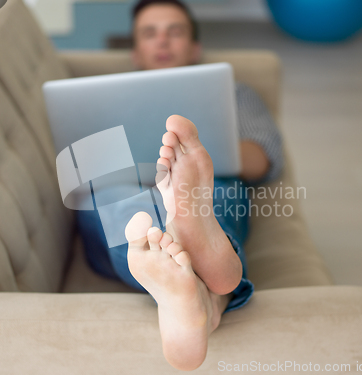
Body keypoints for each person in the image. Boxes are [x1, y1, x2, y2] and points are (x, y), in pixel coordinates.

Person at [77, 0, 284, 370]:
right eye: (149, 33)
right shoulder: (102, 98)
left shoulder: (233, 93)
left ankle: (191, 271)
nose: (163, 41)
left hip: (211, 181)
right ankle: (209, 296)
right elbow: (80, 167)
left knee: (214, 191)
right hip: (124, 185)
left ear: (194, 47)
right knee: (116, 199)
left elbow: (264, 158)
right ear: (135, 51)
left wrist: (198, 154)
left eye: (175, 32)